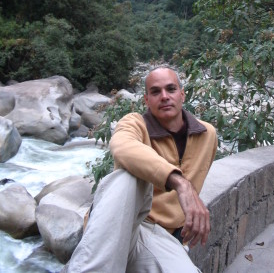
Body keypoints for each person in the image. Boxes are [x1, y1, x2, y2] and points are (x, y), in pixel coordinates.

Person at [64, 66, 217, 273]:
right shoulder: (134, 123)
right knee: (127, 176)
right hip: (123, 221)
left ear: (182, 95)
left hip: (162, 236)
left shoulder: (207, 135)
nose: (164, 96)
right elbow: (122, 147)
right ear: (146, 100)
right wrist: (179, 182)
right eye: (155, 92)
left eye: (171, 89)